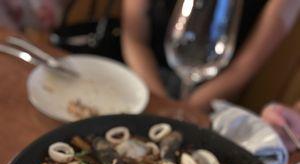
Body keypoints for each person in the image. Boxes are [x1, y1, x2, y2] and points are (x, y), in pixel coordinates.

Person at [121, 0, 300, 121]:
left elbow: (242, 69)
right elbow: (134, 38)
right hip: (142, 78)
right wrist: (159, 100)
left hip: (212, 95)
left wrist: (185, 110)